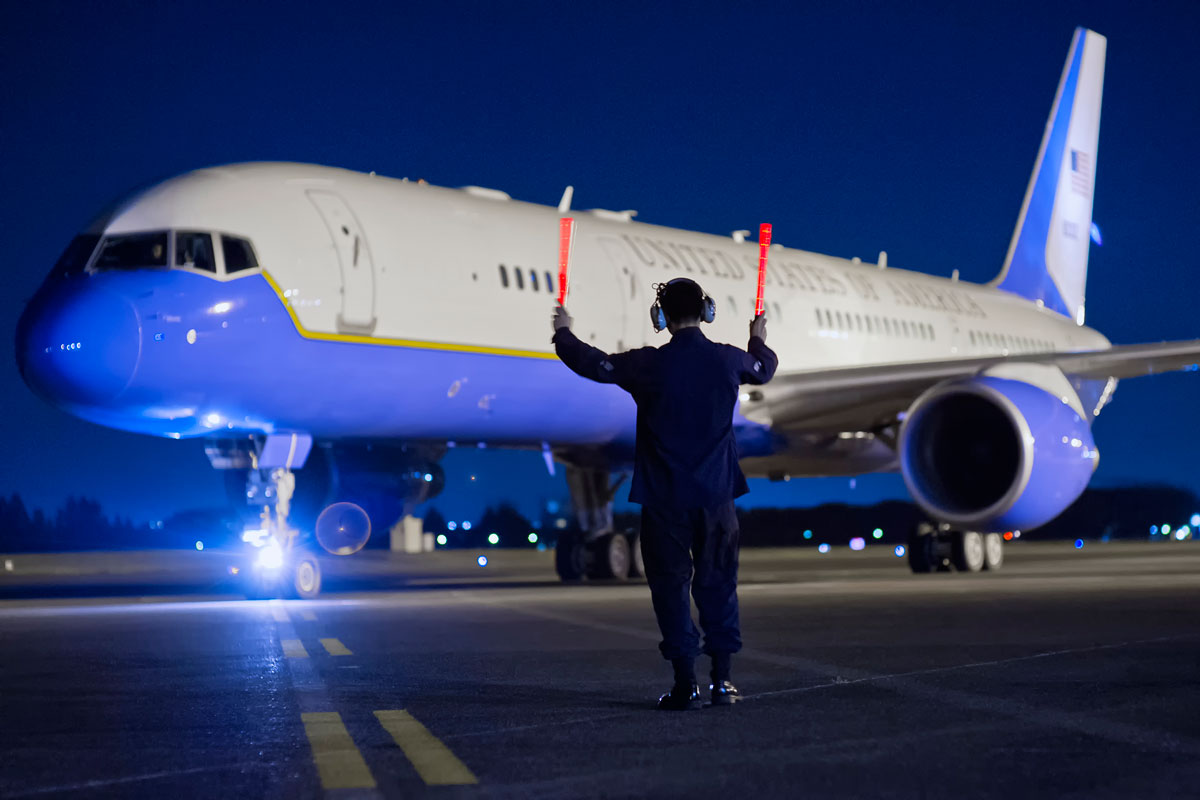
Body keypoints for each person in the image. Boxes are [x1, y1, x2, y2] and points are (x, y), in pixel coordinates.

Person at [551, 277, 778, 710]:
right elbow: (763, 369)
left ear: (661, 316)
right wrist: (758, 338)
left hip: (664, 500)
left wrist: (563, 333)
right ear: (706, 311)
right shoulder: (728, 360)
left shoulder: (647, 365)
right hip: (716, 498)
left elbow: (593, 365)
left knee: (671, 589)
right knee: (719, 586)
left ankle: (683, 684)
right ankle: (723, 683)